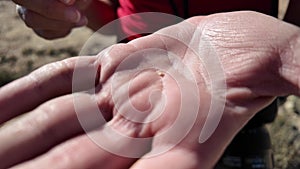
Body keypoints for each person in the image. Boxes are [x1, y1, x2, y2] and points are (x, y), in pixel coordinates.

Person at [5, 0, 300, 168]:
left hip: (244, 109)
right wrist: (70, 10)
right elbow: (119, 17)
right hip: (134, 93)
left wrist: (289, 42)